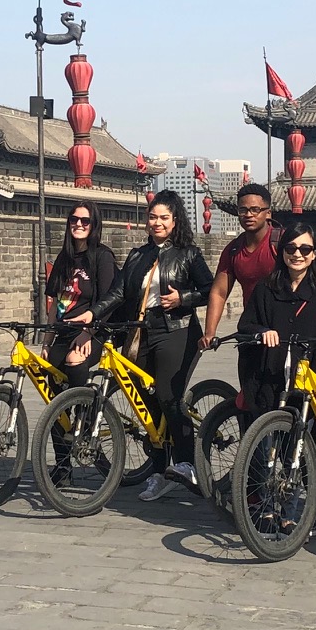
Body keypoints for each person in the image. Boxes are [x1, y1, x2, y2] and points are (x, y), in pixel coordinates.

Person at [77, 189, 214, 494]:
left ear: (175, 220)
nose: (157, 222)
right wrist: (92, 314)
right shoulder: (138, 255)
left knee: (167, 394)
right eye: (152, 216)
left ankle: (187, 463)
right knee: (144, 400)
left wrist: (183, 297)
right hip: (141, 332)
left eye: (164, 217)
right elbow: (117, 293)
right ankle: (160, 469)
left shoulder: (188, 254)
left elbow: (210, 289)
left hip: (176, 330)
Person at [239, 219, 316, 418]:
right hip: (270, 377)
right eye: (291, 248)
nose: (297, 254)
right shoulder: (265, 288)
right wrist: (264, 332)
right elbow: (245, 326)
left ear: (314, 254)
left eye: (305, 249)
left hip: (308, 382)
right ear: (282, 252)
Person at [201, 182, 281, 396]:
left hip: (282, 328)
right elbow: (219, 291)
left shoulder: (280, 243)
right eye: (243, 209)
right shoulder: (234, 249)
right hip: (251, 330)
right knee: (249, 394)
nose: (249, 214)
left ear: (268, 213)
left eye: (255, 210)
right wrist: (210, 332)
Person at [42, 203, 118, 385]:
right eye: (74, 219)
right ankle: (62, 413)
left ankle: (85, 409)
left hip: (95, 331)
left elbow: (108, 302)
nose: (79, 224)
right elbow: (55, 303)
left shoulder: (103, 256)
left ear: (94, 225)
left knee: (74, 360)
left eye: (85, 221)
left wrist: (88, 333)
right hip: (64, 330)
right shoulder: (64, 258)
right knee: (51, 368)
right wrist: (46, 342)